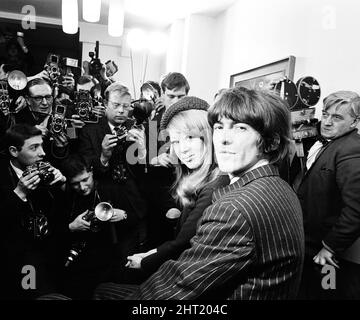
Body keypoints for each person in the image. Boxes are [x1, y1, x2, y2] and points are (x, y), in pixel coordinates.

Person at [94, 87, 305, 300]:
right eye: (220, 127)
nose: (223, 139)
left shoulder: (233, 209)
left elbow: (175, 288)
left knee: (102, 292)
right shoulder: (280, 186)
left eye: (240, 128)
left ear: (272, 142)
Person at [123, 96, 229, 279]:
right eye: (175, 142)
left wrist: (145, 260)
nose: (182, 149)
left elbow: (183, 244)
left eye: (190, 138)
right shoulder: (197, 176)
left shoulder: (215, 185)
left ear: (209, 136)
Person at [297, 91, 360, 299]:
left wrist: (330, 247)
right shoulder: (330, 142)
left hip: (328, 254)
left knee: (326, 292)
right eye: (325, 114)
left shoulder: (351, 149)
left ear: (355, 122)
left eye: (337, 117)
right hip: (310, 247)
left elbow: (356, 209)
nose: (327, 122)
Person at [77, 82, 147, 254]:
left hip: (134, 203)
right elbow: (84, 170)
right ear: (105, 104)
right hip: (101, 200)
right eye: (116, 105)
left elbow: (147, 175)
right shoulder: (89, 131)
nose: (121, 111)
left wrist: (144, 150)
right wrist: (104, 156)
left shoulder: (140, 129)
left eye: (126, 106)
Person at [0, 123, 67, 299]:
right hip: (17, 260)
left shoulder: (44, 167)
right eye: (34, 147)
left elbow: (61, 210)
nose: (43, 153)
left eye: (42, 145)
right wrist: (19, 193)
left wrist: (63, 183)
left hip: (50, 252)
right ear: (14, 151)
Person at [58, 155, 132, 299]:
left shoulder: (109, 189)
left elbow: (136, 218)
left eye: (85, 180)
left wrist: (123, 215)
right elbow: (53, 234)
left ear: (91, 172)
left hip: (109, 261)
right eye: (75, 184)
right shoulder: (64, 198)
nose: (82, 187)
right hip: (78, 265)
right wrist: (71, 227)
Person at [143, 73, 190, 247]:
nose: (176, 101)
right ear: (163, 95)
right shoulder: (154, 124)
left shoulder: (195, 122)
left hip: (188, 195)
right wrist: (155, 158)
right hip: (160, 196)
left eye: (181, 96)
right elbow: (143, 163)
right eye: (171, 96)